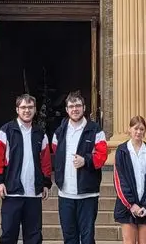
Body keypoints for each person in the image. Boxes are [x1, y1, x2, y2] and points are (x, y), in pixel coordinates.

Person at [0, 93, 53, 244]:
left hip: (33, 194)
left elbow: (45, 162)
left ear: (35, 110)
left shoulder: (40, 134)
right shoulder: (5, 132)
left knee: (34, 236)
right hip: (12, 192)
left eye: (30, 107)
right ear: (17, 109)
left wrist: (45, 184)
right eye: (23, 107)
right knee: (8, 235)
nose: (27, 110)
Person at [51, 91, 109, 244]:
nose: (74, 109)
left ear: (84, 107)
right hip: (65, 194)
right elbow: (56, 155)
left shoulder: (96, 130)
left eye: (78, 106)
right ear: (66, 109)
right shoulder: (59, 132)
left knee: (87, 237)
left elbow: (102, 156)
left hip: (87, 194)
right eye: (71, 106)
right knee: (69, 237)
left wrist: (86, 160)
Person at [114, 116, 146, 244]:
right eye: (136, 128)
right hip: (127, 206)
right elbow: (119, 180)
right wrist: (131, 205)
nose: (138, 132)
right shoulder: (122, 151)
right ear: (129, 129)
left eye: (142, 129)